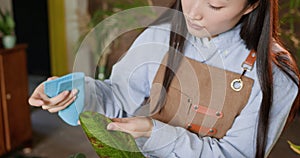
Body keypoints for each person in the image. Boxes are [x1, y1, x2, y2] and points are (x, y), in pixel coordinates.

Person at [29, 0, 300, 157]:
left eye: (215, 5)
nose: (193, 12)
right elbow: (118, 98)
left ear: (251, 5)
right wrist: (71, 93)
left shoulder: (276, 75)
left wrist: (154, 131)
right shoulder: (162, 35)